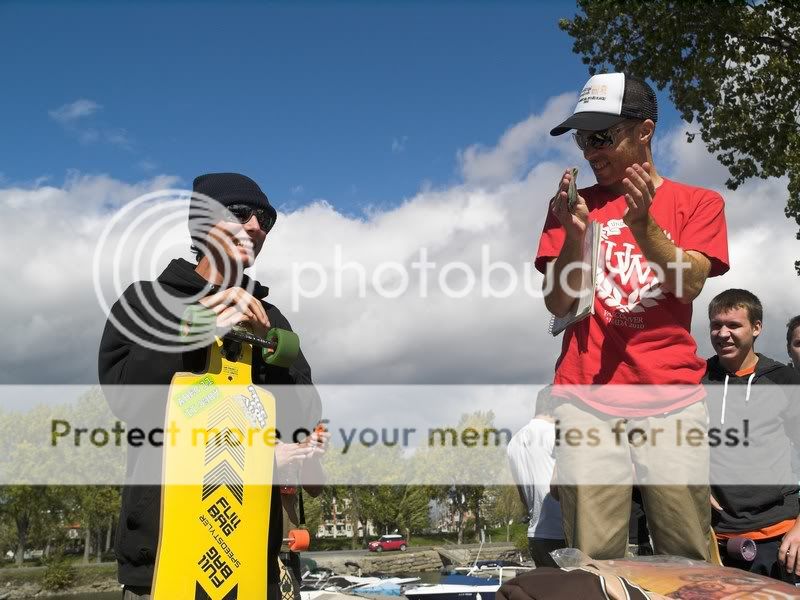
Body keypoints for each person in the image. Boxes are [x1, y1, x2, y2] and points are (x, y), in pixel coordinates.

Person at [98, 173, 323, 599]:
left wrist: (273, 356)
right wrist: (197, 327)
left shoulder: (271, 319)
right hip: (164, 554)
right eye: (240, 214)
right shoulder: (148, 301)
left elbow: (304, 421)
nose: (256, 227)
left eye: (266, 219)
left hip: (251, 557)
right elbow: (127, 397)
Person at [535, 72, 729, 560]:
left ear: (644, 131)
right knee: (593, 558)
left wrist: (643, 226)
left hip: (673, 398)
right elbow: (558, 303)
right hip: (585, 400)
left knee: (687, 553)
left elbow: (690, 283)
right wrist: (575, 237)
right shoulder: (570, 208)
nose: (589, 151)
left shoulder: (699, 203)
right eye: (582, 138)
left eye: (602, 136)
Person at [703, 289, 800, 583]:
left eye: (734, 325)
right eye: (716, 325)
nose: (723, 333)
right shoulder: (695, 379)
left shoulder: (785, 380)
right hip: (713, 539)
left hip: (781, 536)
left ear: (756, 328)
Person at [507, 386, 565, 567]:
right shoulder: (557, 434)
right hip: (562, 533)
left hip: (536, 535)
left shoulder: (514, 442)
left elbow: (524, 497)